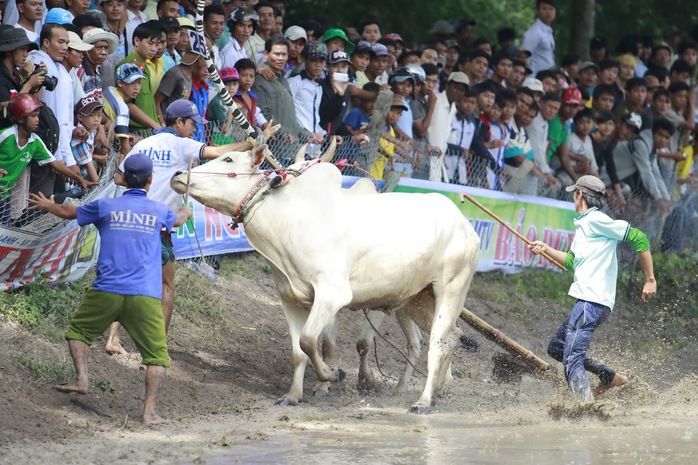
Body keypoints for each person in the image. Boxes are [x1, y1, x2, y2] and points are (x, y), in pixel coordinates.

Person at [28, 153, 193, 426]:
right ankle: (149, 413)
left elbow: (70, 212)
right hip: (145, 296)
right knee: (157, 358)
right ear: (150, 181)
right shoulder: (159, 210)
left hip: (106, 290)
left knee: (78, 334)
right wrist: (187, 210)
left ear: (124, 179)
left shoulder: (106, 206)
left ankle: (82, 378)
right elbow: (177, 219)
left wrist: (47, 204)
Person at [105, 99, 279, 355]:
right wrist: (254, 142)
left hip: (131, 221)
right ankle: (157, 347)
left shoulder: (143, 145)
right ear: (178, 122)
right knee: (166, 286)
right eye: (192, 124)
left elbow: (119, 177)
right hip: (158, 226)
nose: (195, 129)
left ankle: (113, 339)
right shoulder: (181, 144)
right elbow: (218, 153)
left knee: (127, 281)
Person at [528, 175, 656, 403]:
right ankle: (610, 377)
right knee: (557, 348)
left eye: (573, 194)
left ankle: (586, 408)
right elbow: (570, 262)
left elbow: (639, 237)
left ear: (579, 195)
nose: (572, 198)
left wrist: (650, 278)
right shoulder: (584, 224)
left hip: (591, 301)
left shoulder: (596, 220)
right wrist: (545, 248)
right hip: (590, 303)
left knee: (572, 358)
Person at [0, 94, 90, 225]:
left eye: (38, 115)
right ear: (20, 119)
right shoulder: (5, 136)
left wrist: (80, 179)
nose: (37, 120)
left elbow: (55, 164)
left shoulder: (35, 142)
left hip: (4, 194)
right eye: (33, 116)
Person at [118, 21, 164, 131]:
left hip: (149, 130)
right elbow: (127, 104)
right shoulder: (128, 66)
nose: (154, 49)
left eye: (157, 44)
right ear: (137, 41)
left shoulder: (145, 66)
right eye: (150, 43)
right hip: (136, 131)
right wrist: (155, 125)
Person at [102, 63, 146, 156]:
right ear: (120, 83)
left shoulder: (109, 90)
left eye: (139, 82)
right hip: (102, 145)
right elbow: (125, 145)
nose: (137, 88)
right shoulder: (123, 108)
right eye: (132, 83)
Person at [70, 95, 103, 183]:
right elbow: (88, 165)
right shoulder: (80, 137)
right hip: (74, 181)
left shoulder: (91, 132)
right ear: (80, 117)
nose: (96, 119)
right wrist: (99, 185)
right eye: (92, 115)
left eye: (99, 115)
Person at [521, 0, 556, 75]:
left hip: (546, 78)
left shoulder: (548, 31)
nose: (548, 12)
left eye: (551, 9)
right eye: (544, 9)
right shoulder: (534, 32)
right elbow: (524, 56)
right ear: (537, 11)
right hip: (534, 78)